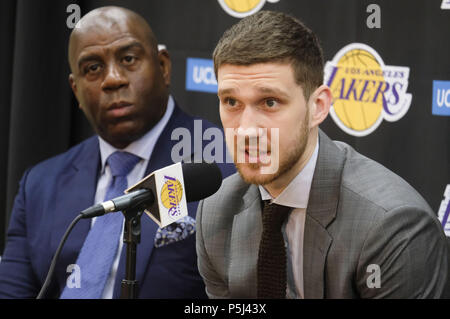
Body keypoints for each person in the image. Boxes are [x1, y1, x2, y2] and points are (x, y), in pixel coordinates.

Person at [196, 10, 449, 298]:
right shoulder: (216, 212)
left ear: (318, 106)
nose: (246, 130)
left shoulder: (391, 226)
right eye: (231, 102)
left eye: (269, 102)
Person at [0, 6, 234, 299]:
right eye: (93, 68)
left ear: (163, 67)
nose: (112, 79)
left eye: (128, 59)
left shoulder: (223, 168)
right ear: (76, 90)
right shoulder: (40, 185)